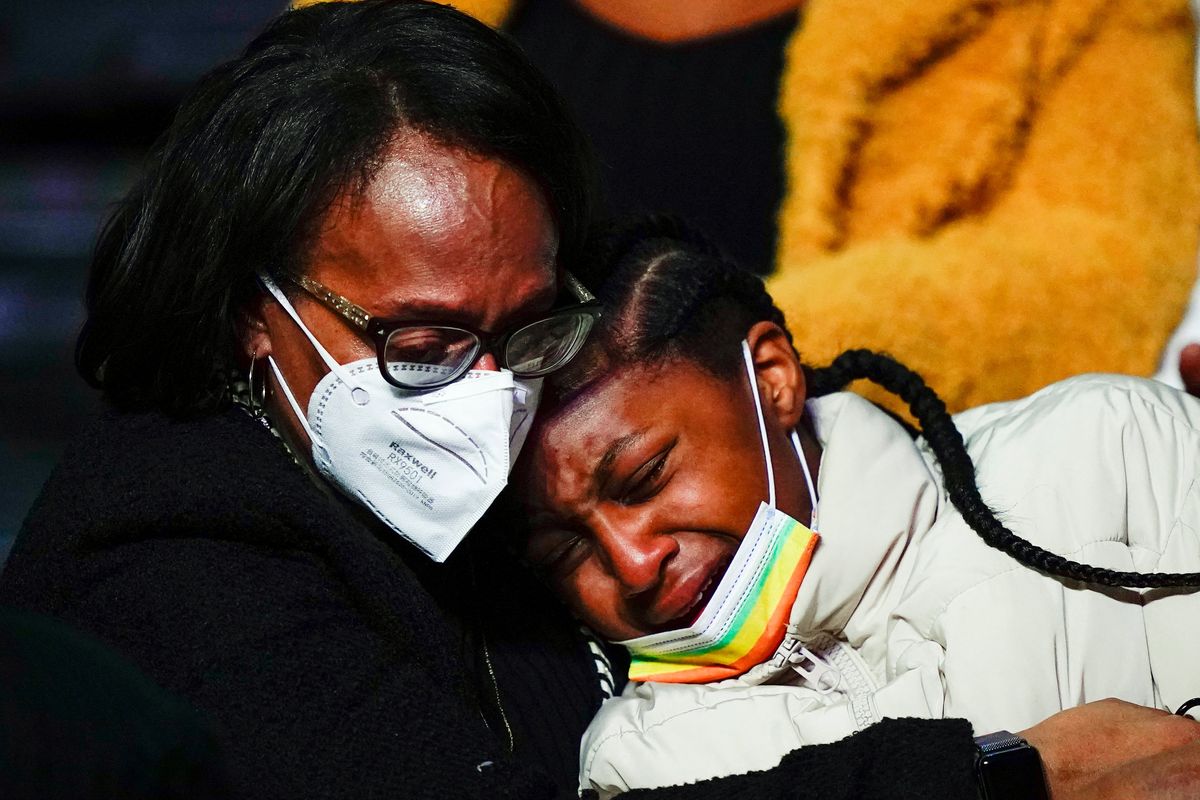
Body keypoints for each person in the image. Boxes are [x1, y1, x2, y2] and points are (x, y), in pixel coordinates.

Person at [2, 3, 1199, 799]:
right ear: (251, 312)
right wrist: (1001, 778)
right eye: (422, 341)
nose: (485, 400)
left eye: (525, 332)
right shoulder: (160, 549)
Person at [511, 218, 1200, 797]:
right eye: (564, 549)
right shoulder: (638, 765)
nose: (633, 565)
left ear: (773, 379)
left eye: (645, 476)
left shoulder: (1104, 450)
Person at [417, 0, 1200, 412]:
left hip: (846, 538)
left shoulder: (1059, 16)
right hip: (425, 492)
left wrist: (704, 353)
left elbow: (1098, 262)